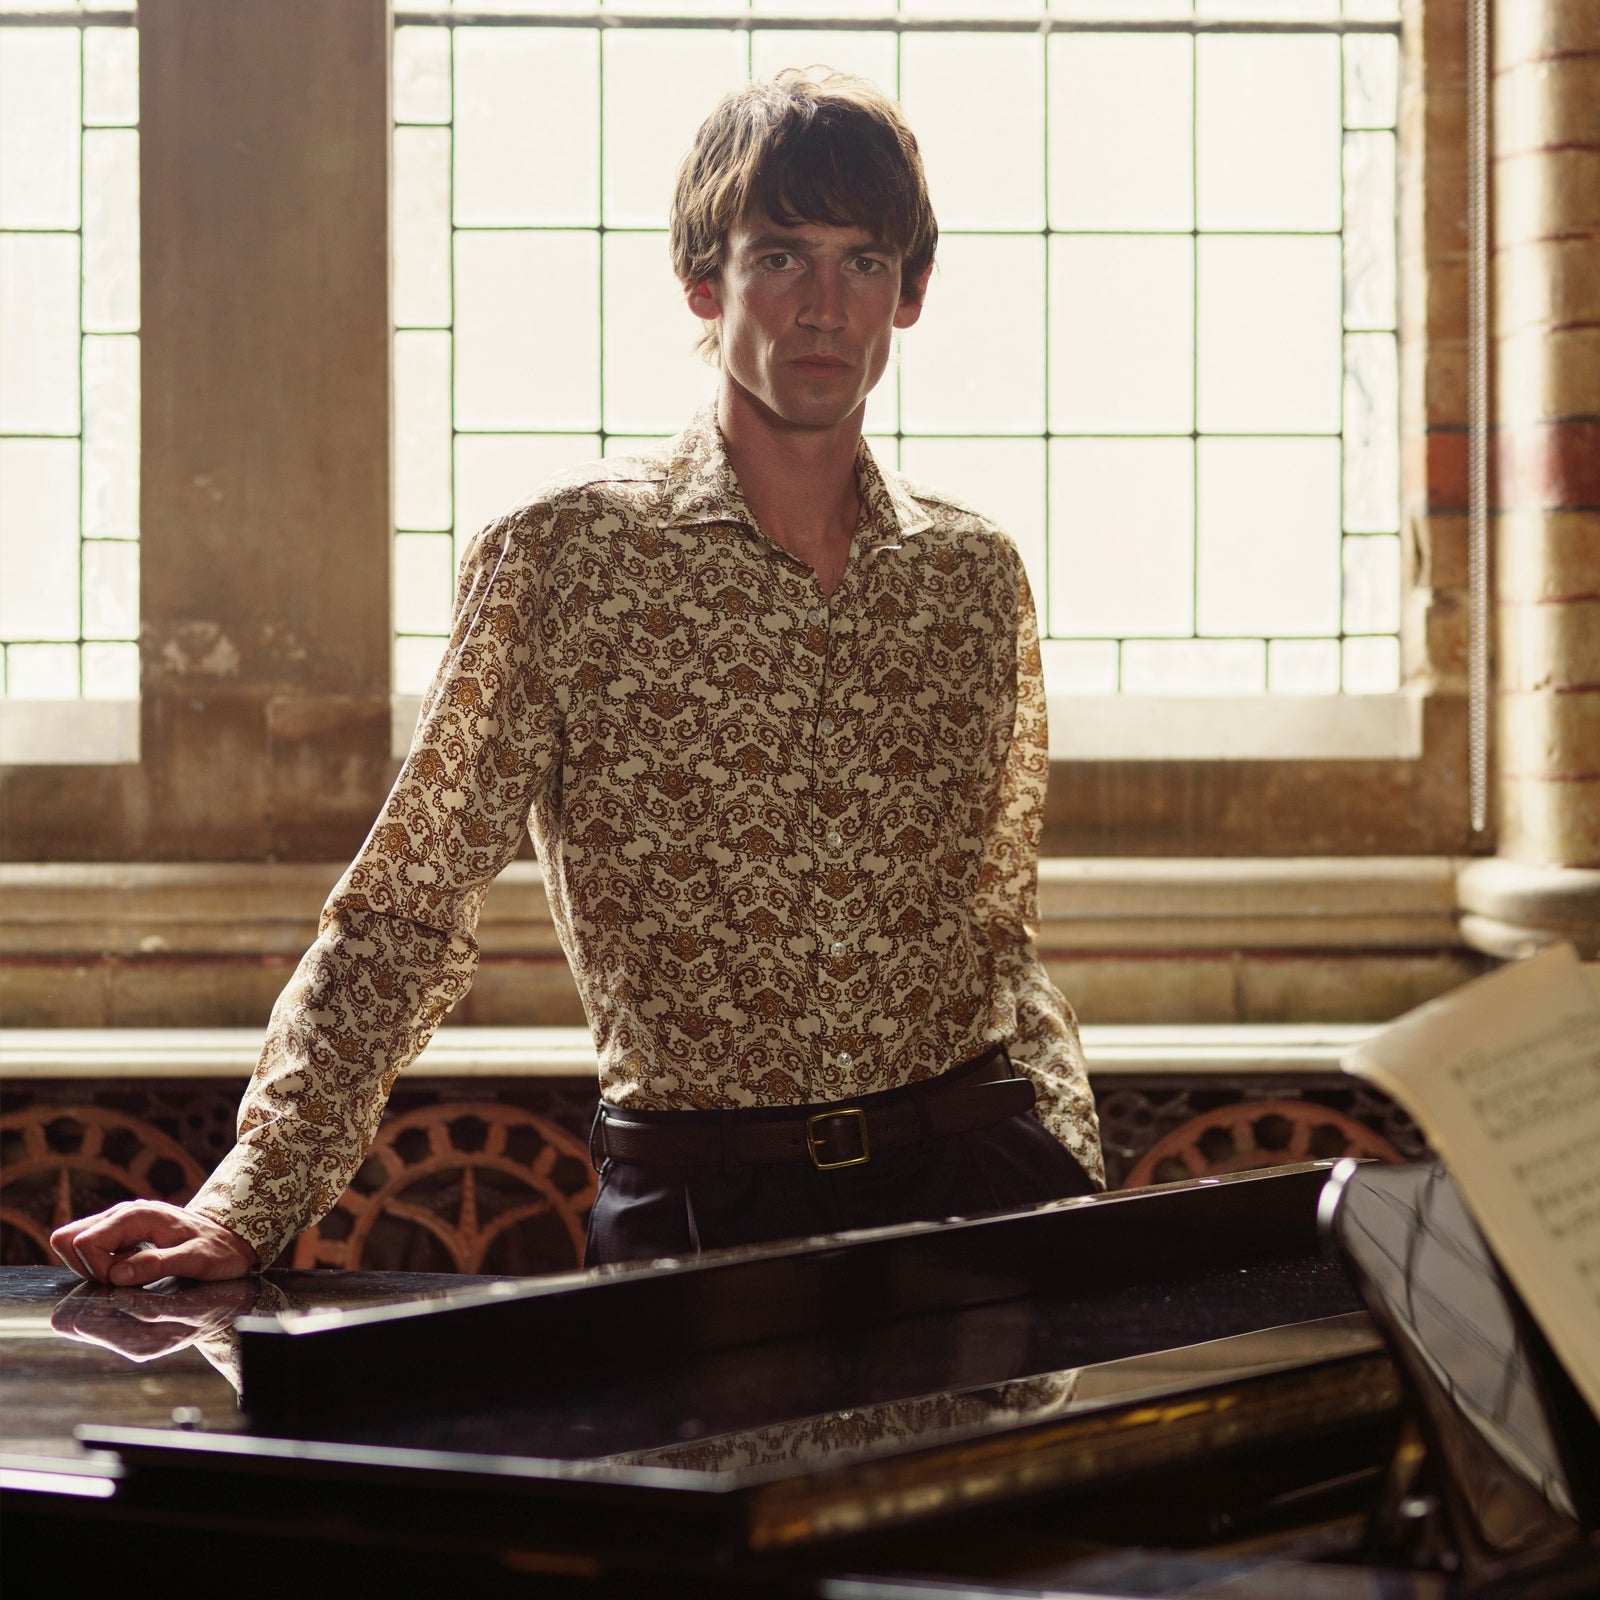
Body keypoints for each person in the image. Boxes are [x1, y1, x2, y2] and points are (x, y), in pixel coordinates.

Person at [52, 68, 1103, 1287]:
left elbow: (994, 933)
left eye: (863, 262)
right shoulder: (566, 559)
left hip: (979, 1185)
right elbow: (407, 903)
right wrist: (247, 1201)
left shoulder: (968, 575)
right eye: (781, 257)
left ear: (909, 294)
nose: (823, 305)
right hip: (706, 1207)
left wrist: (1069, 1161)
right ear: (704, 282)